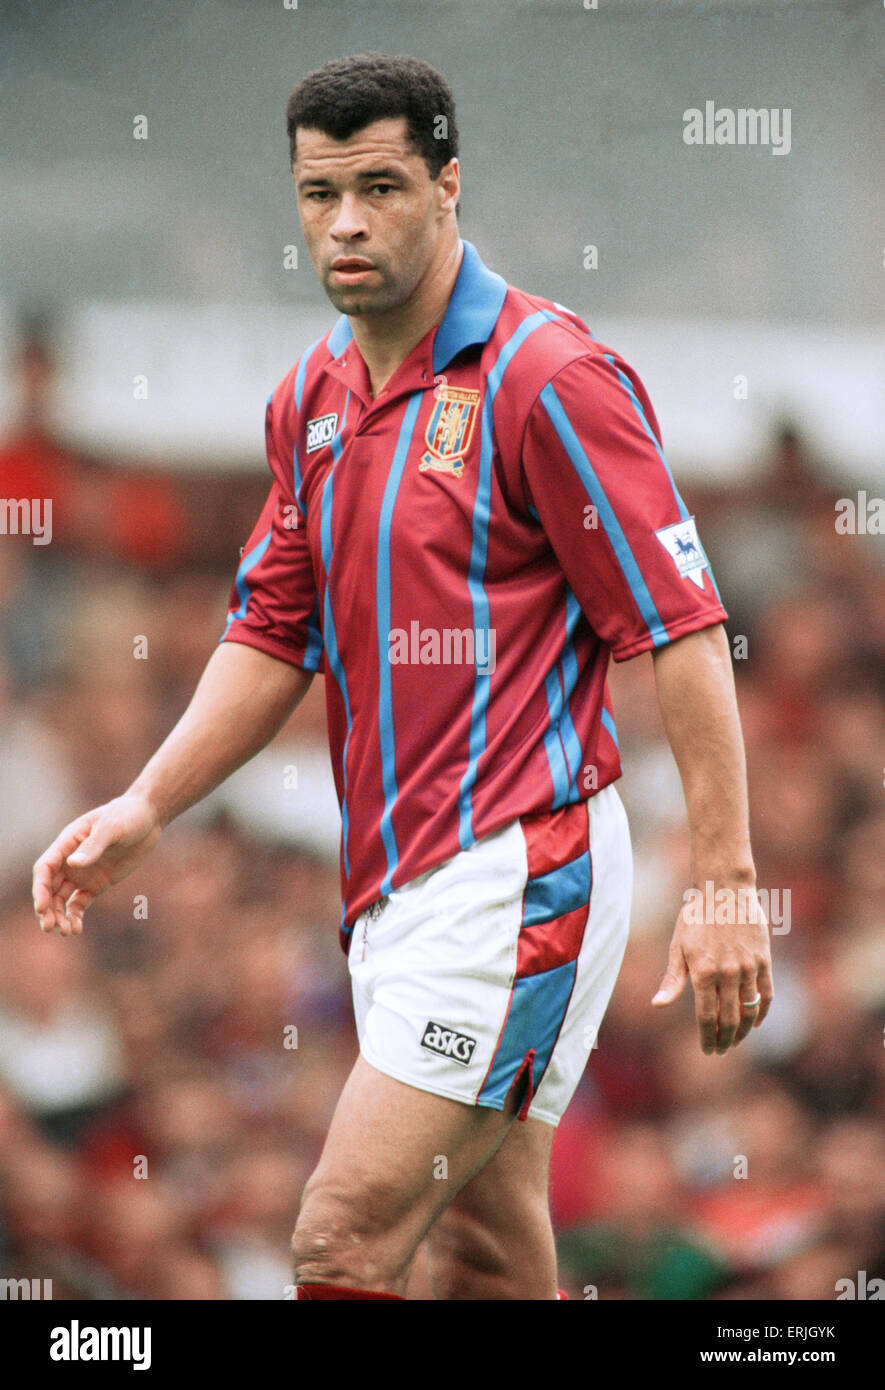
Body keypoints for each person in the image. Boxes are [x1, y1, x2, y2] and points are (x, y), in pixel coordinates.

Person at [32, 52, 773, 1301]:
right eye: (320, 193)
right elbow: (273, 630)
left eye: (381, 185)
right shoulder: (311, 399)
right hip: (393, 886)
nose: (348, 221)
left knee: (338, 1235)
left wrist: (729, 882)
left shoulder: (548, 378)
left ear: (449, 186)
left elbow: (684, 629)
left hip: (521, 865)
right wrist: (149, 803)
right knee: (485, 1253)